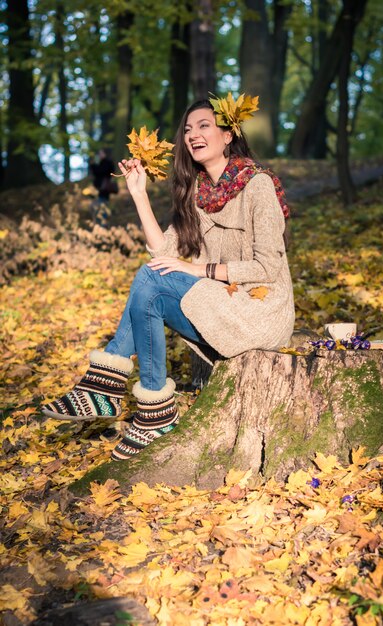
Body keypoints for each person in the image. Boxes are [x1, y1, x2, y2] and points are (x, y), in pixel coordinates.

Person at [42, 95, 295, 461]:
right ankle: (154, 412)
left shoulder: (258, 185)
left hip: (261, 313)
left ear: (228, 135)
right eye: (188, 129)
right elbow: (162, 255)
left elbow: (267, 266)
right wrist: (138, 194)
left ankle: (107, 387)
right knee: (152, 284)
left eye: (204, 126)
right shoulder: (196, 194)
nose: (193, 134)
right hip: (223, 306)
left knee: (153, 279)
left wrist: (199, 270)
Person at [89, 148, 117, 227]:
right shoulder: (104, 163)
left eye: (101, 153)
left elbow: (100, 172)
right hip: (101, 189)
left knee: (101, 205)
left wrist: (93, 166)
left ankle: (102, 224)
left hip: (104, 189)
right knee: (99, 205)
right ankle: (101, 224)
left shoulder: (107, 163)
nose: (99, 155)